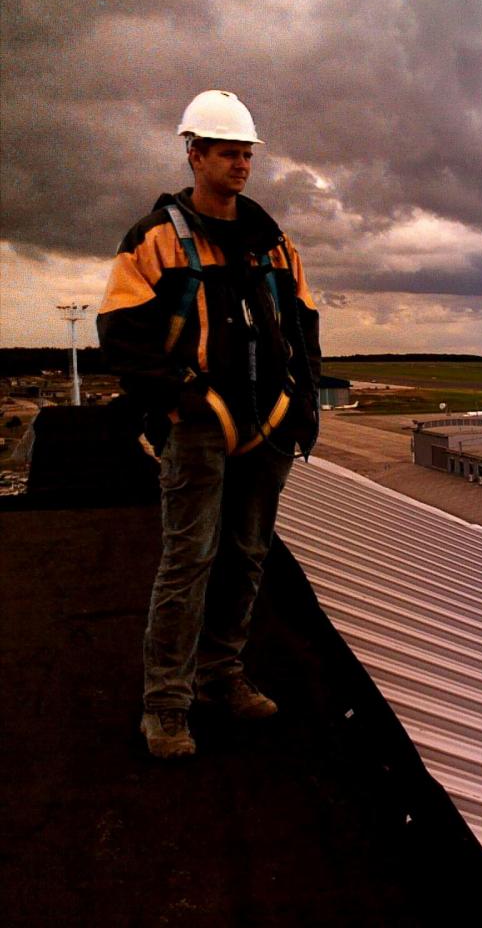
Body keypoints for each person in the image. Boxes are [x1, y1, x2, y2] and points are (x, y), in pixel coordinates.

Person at [98, 90, 321, 759]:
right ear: (194, 154)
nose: (241, 166)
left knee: (247, 555)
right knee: (188, 560)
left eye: (246, 154)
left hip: (267, 421)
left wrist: (302, 402)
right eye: (227, 154)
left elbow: (303, 326)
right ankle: (166, 704)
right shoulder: (156, 239)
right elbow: (121, 334)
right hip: (198, 424)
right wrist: (180, 400)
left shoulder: (274, 243)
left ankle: (221, 675)